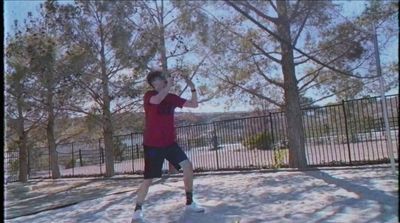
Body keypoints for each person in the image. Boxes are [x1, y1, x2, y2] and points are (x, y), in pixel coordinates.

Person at [131, 70, 204, 221]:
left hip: (170, 144)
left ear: (163, 81)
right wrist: (169, 86)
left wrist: (193, 88)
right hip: (153, 145)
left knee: (187, 166)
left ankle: (190, 202)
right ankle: (138, 209)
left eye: (159, 80)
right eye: (153, 82)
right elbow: (157, 100)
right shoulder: (149, 96)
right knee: (148, 179)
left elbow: (194, 104)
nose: (156, 84)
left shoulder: (171, 98)